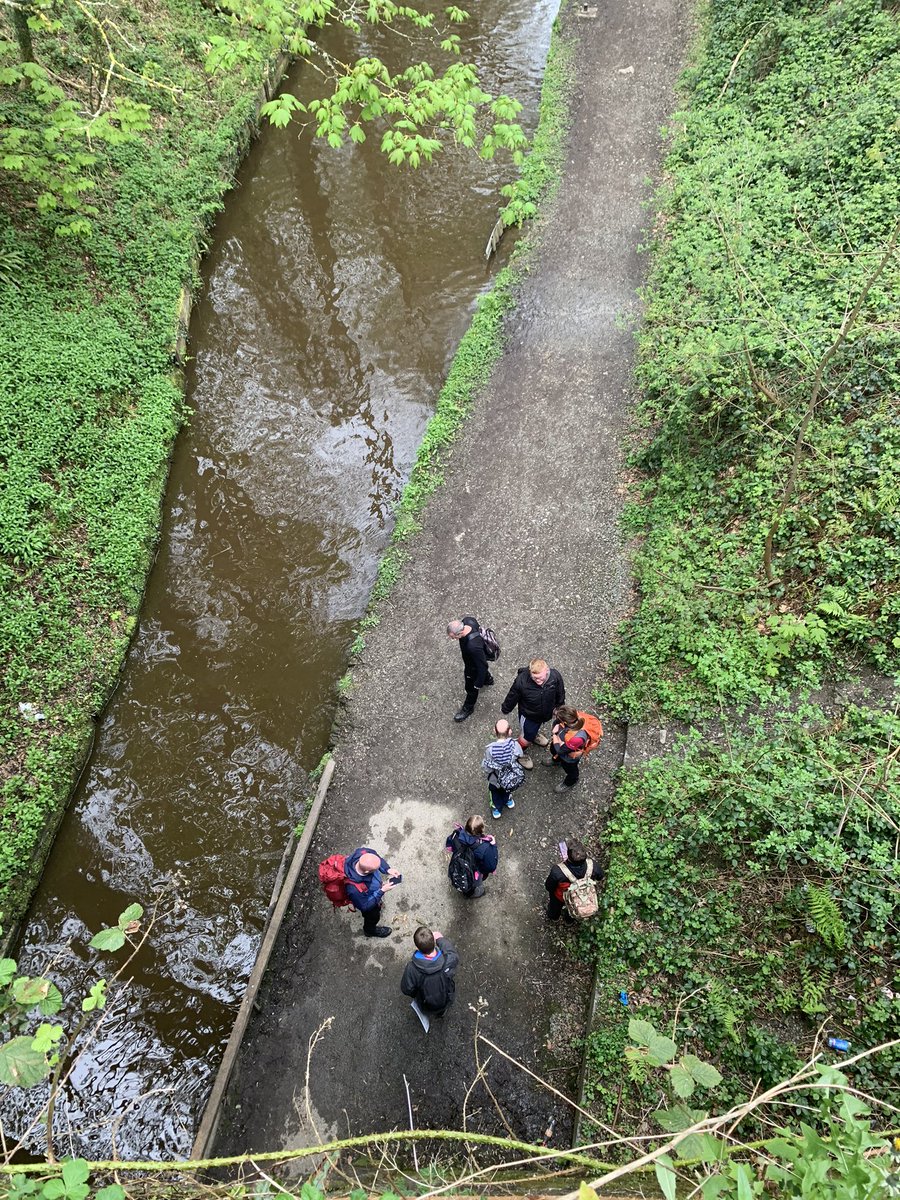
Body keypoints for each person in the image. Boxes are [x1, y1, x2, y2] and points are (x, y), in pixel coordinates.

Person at [500, 658, 565, 768]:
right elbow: (512, 696)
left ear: (547, 670)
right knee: (526, 738)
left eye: (540, 678)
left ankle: (533, 735)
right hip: (529, 716)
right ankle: (518, 753)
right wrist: (506, 708)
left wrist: (559, 706)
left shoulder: (555, 676)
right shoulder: (522, 681)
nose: (537, 681)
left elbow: (560, 691)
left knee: (532, 731)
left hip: (545, 714)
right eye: (534, 678)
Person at [400, 927, 460, 1017]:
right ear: (434, 942)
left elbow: (406, 989)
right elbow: (453, 954)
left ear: (417, 947)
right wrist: (440, 939)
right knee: (442, 1008)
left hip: (426, 1003)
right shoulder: (448, 960)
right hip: (446, 997)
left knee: (428, 1009)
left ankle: (433, 1013)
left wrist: (416, 994)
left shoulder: (411, 969)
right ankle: (441, 1014)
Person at [344, 847, 401, 938]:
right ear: (367, 871)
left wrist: (387, 869)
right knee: (373, 916)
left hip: (369, 892)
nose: (379, 869)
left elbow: (377, 858)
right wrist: (381, 891)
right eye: (377, 869)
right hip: (366, 901)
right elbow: (365, 906)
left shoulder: (362, 853)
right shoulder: (354, 889)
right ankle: (369, 931)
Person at [447, 616, 494, 722]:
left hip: (472, 668)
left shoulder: (473, 647)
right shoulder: (469, 621)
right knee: (479, 665)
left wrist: (478, 683)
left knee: (471, 688)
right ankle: (489, 679)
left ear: (460, 633)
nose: (453, 639)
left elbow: (482, 666)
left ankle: (468, 708)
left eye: (454, 637)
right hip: (475, 660)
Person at [545, 840, 604, 922]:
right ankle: (569, 921)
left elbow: (549, 886)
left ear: (568, 857)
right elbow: (600, 876)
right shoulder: (593, 866)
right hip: (581, 897)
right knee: (574, 907)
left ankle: (554, 917)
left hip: (560, 897)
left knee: (554, 907)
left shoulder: (558, 871)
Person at [481, 718, 525, 818]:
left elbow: (487, 767)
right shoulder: (515, 745)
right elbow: (520, 755)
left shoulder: (490, 750)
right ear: (510, 732)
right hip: (510, 777)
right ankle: (508, 800)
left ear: (494, 731)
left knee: (494, 791)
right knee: (507, 789)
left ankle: (496, 807)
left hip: (495, 779)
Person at [445, 815, 499, 896]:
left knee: (466, 881)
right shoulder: (485, 847)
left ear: (466, 826)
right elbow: (491, 866)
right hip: (474, 871)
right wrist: (493, 846)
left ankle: (465, 891)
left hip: (460, 864)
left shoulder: (457, 833)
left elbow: (450, 845)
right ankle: (473, 894)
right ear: (482, 829)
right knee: (473, 883)